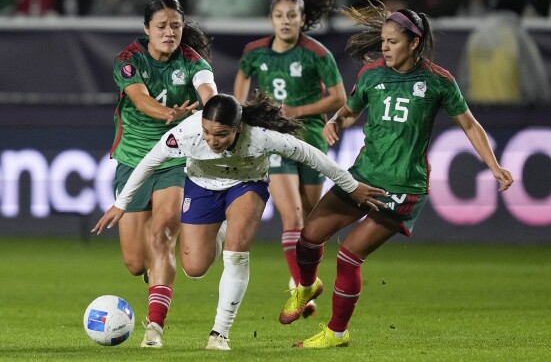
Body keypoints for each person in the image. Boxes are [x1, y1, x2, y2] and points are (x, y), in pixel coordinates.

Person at [278, 0, 514, 348]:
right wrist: (336, 122)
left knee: (348, 256)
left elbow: (469, 124)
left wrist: (493, 165)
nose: (384, 47)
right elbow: (349, 111)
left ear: (414, 43)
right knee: (309, 236)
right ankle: (308, 286)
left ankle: (336, 334)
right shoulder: (371, 74)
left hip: (402, 189)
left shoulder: (438, 82)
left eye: (392, 41)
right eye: (383, 40)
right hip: (361, 177)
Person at [92, 92, 388, 351]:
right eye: (207, 132)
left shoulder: (260, 136)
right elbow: (149, 163)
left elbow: (313, 156)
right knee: (194, 268)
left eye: (220, 134)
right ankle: (222, 228)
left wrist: (351, 186)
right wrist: (121, 204)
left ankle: (219, 333)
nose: (211, 140)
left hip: (246, 185)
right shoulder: (186, 133)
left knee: (236, 254)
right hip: (201, 187)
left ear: (238, 128)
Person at [106, 0, 217, 349]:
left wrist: (212, 107)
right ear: (146, 30)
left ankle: (154, 328)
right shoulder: (128, 60)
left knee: (163, 233)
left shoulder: (193, 61)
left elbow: (208, 91)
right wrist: (166, 113)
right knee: (136, 262)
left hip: (174, 158)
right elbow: (139, 100)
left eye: (175, 26)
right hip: (134, 160)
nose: (169, 32)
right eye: (162, 26)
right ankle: (153, 276)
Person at [233, 0, 346, 317]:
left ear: (302, 19)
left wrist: (299, 110)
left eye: (292, 16)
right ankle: (302, 291)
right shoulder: (255, 51)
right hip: (274, 138)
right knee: (292, 217)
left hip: (310, 138)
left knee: (312, 222)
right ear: (271, 19)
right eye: (279, 16)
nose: (285, 21)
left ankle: (301, 278)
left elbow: (338, 97)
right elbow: (242, 74)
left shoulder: (316, 53)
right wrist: (242, 110)